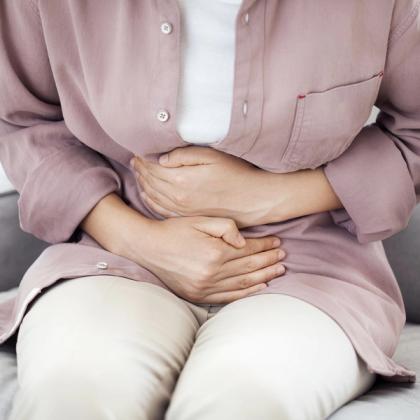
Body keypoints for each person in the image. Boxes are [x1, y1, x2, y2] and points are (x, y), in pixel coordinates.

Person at [0, 0, 419, 419]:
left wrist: (272, 194)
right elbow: (22, 121)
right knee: (73, 392)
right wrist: (136, 238)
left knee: (243, 403)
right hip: (110, 255)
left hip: (312, 269)